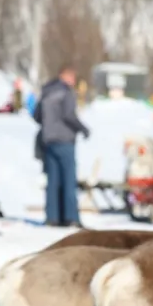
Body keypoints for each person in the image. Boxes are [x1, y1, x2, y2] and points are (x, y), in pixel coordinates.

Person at [35, 65, 89, 227]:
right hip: (64, 139)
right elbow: (69, 115)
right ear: (66, 76)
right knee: (68, 180)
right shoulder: (66, 92)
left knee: (53, 181)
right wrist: (83, 129)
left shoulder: (46, 91)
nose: (74, 81)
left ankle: (52, 217)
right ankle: (71, 217)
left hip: (48, 140)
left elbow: (36, 115)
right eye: (73, 77)